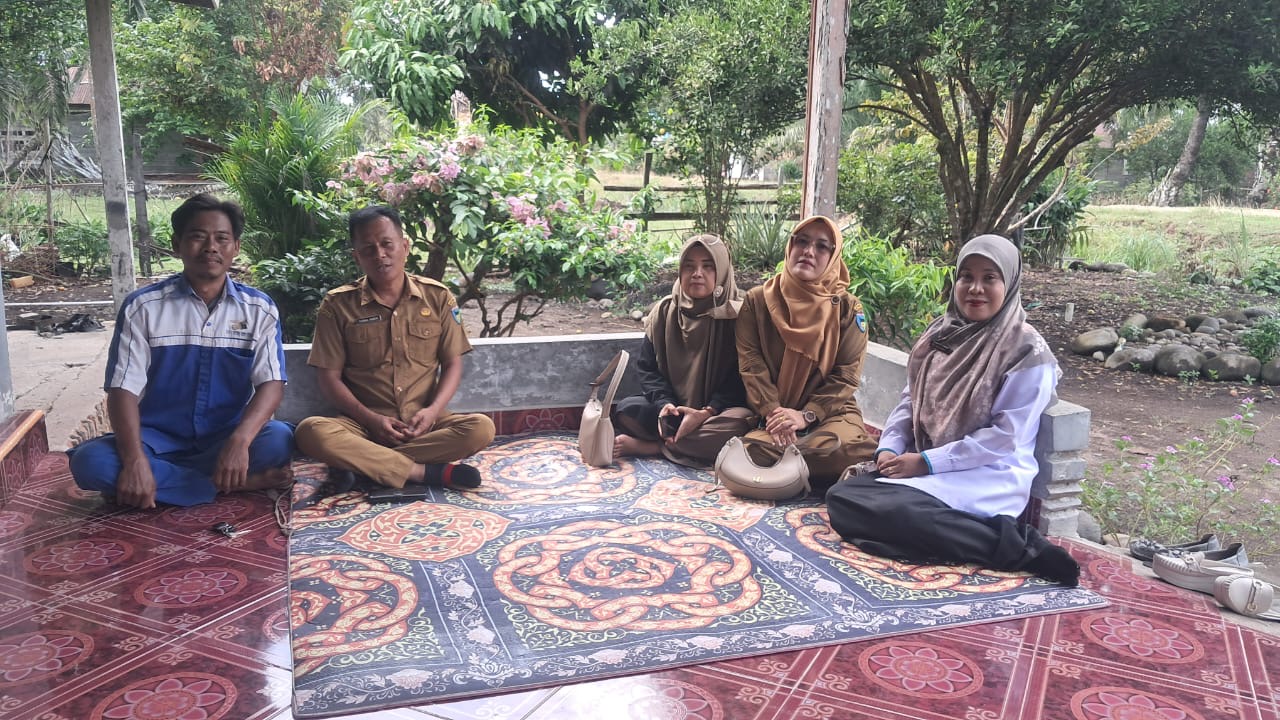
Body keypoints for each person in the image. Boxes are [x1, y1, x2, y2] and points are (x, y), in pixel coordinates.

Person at [825, 234, 1080, 586]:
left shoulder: (1027, 353)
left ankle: (1019, 548)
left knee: (893, 511)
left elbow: (1003, 439)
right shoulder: (940, 334)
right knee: (843, 497)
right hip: (930, 462)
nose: (975, 288)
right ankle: (930, 537)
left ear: (1009, 282)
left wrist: (927, 463)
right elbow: (910, 399)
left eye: (989, 278)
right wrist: (889, 448)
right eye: (966, 277)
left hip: (988, 473)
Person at [68, 193, 294, 508]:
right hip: (155, 440)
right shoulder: (143, 307)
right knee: (90, 463)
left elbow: (271, 383)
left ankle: (163, 483)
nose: (211, 247)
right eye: (198, 237)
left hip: (223, 438)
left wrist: (240, 442)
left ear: (236, 248)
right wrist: (134, 460)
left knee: (279, 440)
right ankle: (229, 484)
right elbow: (122, 389)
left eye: (222, 239)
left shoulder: (259, 309)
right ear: (177, 245)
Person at [294, 206, 494, 490]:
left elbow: (453, 364)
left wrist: (433, 411)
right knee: (311, 432)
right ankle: (423, 473)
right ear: (357, 257)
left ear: (404, 246)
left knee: (480, 429)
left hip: (423, 424)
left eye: (387, 244)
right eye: (368, 249)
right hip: (361, 427)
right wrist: (372, 420)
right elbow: (329, 378)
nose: (380, 255)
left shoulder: (437, 298)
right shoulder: (337, 306)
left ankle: (365, 465)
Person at [735, 215, 877, 489]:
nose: (809, 251)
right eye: (802, 241)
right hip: (775, 415)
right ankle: (820, 470)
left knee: (842, 447)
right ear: (790, 247)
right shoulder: (757, 301)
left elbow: (846, 377)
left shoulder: (848, 309)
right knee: (752, 448)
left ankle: (793, 468)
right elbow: (751, 366)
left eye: (822, 246)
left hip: (830, 413)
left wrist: (806, 415)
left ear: (834, 257)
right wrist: (776, 414)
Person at [612, 235, 754, 468]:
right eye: (689, 266)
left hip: (718, 412)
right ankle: (688, 441)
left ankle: (656, 447)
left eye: (708, 266)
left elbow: (742, 377)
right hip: (675, 408)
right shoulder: (665, 311)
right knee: (627, 410)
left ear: (723, 271)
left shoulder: (740, 315)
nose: (697, 273)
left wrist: (707, 411)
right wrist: (664, 405)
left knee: (741, 424)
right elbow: (647, 368)